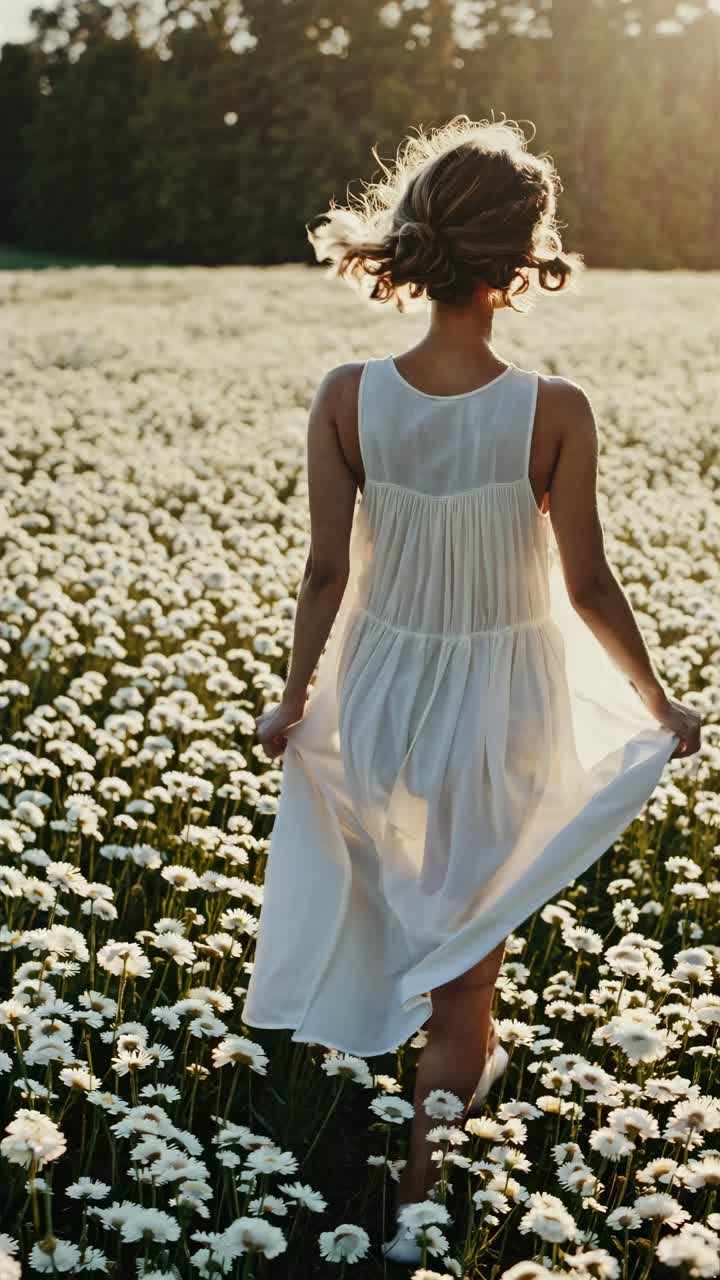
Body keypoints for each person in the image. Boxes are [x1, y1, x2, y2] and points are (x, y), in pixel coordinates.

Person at [240, 115, 702, 1259]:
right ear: (524, 254)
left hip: (386, 694)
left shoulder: (349, 393)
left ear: (420, 245)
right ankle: (414, 1211)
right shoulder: (554, 409)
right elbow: (588, 581)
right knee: (464, 975)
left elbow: (323, 570)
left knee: (420, 928)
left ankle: (423, 1107)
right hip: (509, 704)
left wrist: (291, 697)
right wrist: (658, 702)